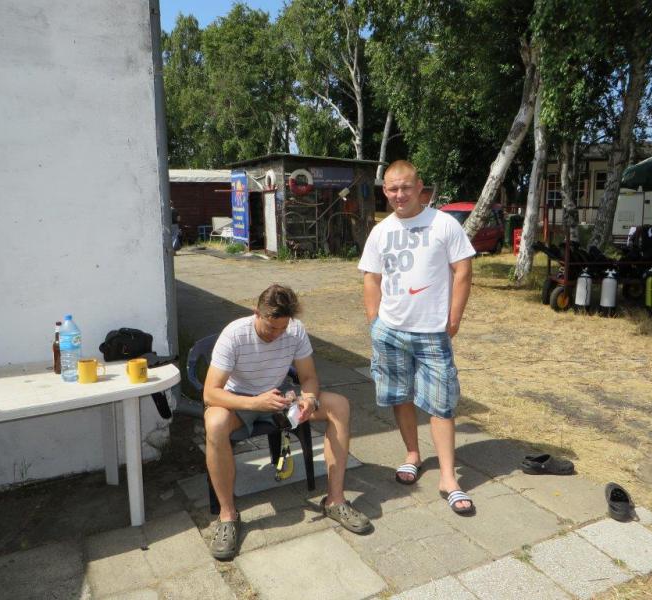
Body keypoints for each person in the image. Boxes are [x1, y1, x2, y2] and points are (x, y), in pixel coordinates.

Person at [203, 284, 372, 560]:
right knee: (215, 423)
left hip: (279, 397)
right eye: (271, 327)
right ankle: (228, 516)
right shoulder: (234, 334)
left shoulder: (294, 330)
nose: (277, 335)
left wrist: (309, 399)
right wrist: (254, 403)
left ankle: (335, 500)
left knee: (339, 405)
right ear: (256, 312)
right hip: (239, 401)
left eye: (283, 328)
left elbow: (308, 378)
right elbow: (210, 393)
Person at [358, 160, 476, 515]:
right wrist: (374, 321)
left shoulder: (443, 223)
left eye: (405, 187)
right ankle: (412, 454)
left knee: (442, 403)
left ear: (419, 186)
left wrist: (453, 318)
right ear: (385, 191)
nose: (399, 194)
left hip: (431, 332)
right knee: (400, 395)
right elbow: (371, 277)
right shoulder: (380, 231)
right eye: (392, 189)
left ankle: (448, 478)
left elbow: (463, 271)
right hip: (390, 331)